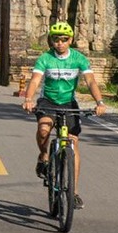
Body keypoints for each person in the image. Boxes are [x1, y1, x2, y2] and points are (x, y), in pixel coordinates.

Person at [22, 21, 106, 210]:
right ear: (51, 41)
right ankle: (43, 155)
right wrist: (28, 99)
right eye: (56, 39)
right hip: (48, 101)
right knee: (44, 130)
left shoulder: (78, 58)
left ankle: (73, 192)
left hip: (69, 103)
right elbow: (35, 80)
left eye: (64, 39)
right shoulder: (45, 58)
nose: (60, 43)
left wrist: (99, 102)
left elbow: (91, 81)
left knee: (73, 142)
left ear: (71, 40)